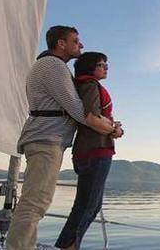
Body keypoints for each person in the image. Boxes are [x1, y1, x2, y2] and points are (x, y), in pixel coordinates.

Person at [6, 26, 117, 250]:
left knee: (36, 202)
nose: (81, 45)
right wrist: (113, 129)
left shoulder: (51, 65)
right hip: (46, 140)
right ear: (61, 44)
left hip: (46, 140)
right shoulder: (52, 65)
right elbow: (79, 111)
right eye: (76, 41)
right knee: (35, 203)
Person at [55, 52, 124, 250]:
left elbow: (93, 116)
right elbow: (91, 118)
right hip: (95, 150)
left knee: (89, 205)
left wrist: (110, 125)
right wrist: (114, 130)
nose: (106, 67)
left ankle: (68, 245)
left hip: (90, 151)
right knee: (87, 206)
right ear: (90, 68)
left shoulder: (86, 86)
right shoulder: (90, 86)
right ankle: (67, 246)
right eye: (102, 64)